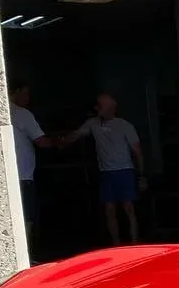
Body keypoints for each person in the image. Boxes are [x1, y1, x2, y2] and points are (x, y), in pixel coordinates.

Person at [60, 93, 145, 244]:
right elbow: (76, 135)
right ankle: (116, 244)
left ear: (110, 107)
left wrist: (142, 175)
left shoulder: (125, 125)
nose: (96, 108)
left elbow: (137, 151)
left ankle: (134, 242)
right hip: (106, 173)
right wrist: (61, 143)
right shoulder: (92, 123)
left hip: (124, 171)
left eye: (100, 105)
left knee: (129, 208)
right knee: (109, 210)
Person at [8, 82, 51, 244]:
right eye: (25, 94)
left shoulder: (3, 112)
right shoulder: (22, 114)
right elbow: (41, 141)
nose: (28, 98)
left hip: (11, 175)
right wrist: (58, 142)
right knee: (26, 218)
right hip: (24, 176)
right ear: (16, 91)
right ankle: (27, 257)